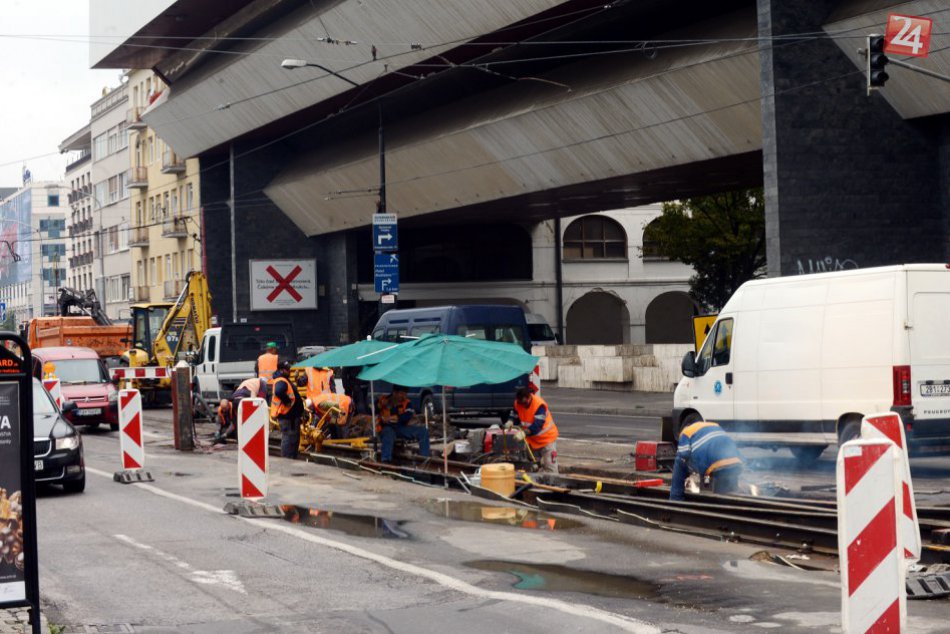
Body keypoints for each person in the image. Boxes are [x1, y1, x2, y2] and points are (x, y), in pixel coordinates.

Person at [669, 420, 742, 501]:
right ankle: (729, 499)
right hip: (735, 463)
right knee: (724, 483)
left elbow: (684, 454)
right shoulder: (714, 425)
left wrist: (690, 472)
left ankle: (675, 499)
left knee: (679, 461)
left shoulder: (686, 432)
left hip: (713, 465)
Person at [507, 386, 559, 473]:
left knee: (551, 470)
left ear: (529, 397)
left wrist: (524, 433)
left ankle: (551, 481)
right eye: (520, 403)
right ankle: (538, 479)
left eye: (524, 403)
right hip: (532, 441)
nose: (522, 405)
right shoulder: (518, 403)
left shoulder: (539, 405)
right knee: (532, 467)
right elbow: (515, 414)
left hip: (546, 440)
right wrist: (510, 421)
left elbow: (538, 425)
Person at [376, 385, 430, 463]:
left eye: (405, 394)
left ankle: (424, 459)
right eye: (401, 394)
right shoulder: (383, 400)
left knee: (423, 431)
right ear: (394, 393)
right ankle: (386, 461)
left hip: (401, 428)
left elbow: (408, 414)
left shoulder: (407, 403)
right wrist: (382, 412)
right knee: (388, 434)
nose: (403, 396)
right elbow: (372, 408)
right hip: (386, 428)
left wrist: (397, 418)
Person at [270, 361, 304, 458]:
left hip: (290, 417)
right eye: (287, 369)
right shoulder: (281, 380)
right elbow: (278, 391)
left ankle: (290, 458)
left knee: (292, 439)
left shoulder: (283, 379)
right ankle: (287, 460)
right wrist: (287, 401)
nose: (289, 371)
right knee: (289, 439)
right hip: (288, 416)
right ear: (281, 370)